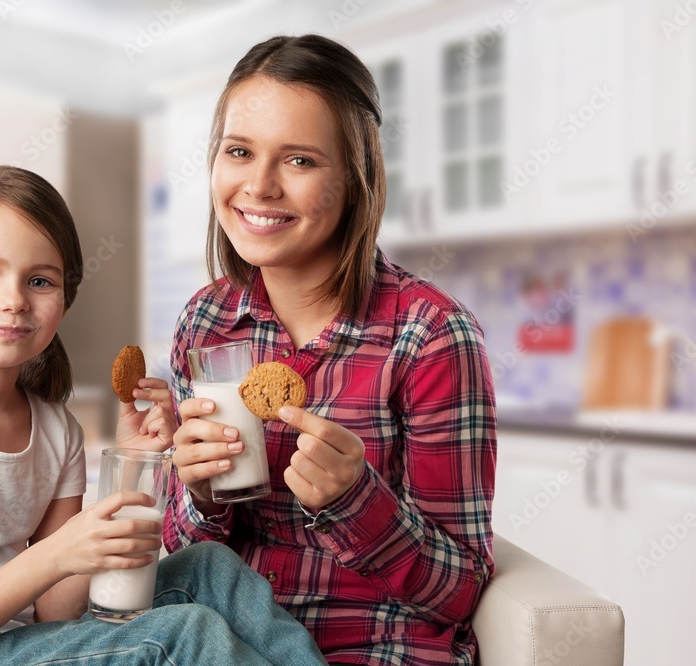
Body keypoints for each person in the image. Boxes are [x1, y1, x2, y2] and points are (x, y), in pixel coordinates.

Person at [0, 166, 325, 666]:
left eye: (39, 280)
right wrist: (53, 554)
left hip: (15, 645)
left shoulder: (56, 430)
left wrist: (133, 463)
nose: (14, 300)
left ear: (64, 299)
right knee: (176, 634)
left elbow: (58, 611)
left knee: (212, 567)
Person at [164, 35, 497, 665]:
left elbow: (459, 592)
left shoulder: (430, 335)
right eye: (240, 152)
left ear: (355, 178)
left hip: (373, 649)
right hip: (229, 643)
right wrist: (199, 494)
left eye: (299, 161)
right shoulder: (205, 322)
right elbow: (183, 549)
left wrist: (356, 503)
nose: (258, 186)